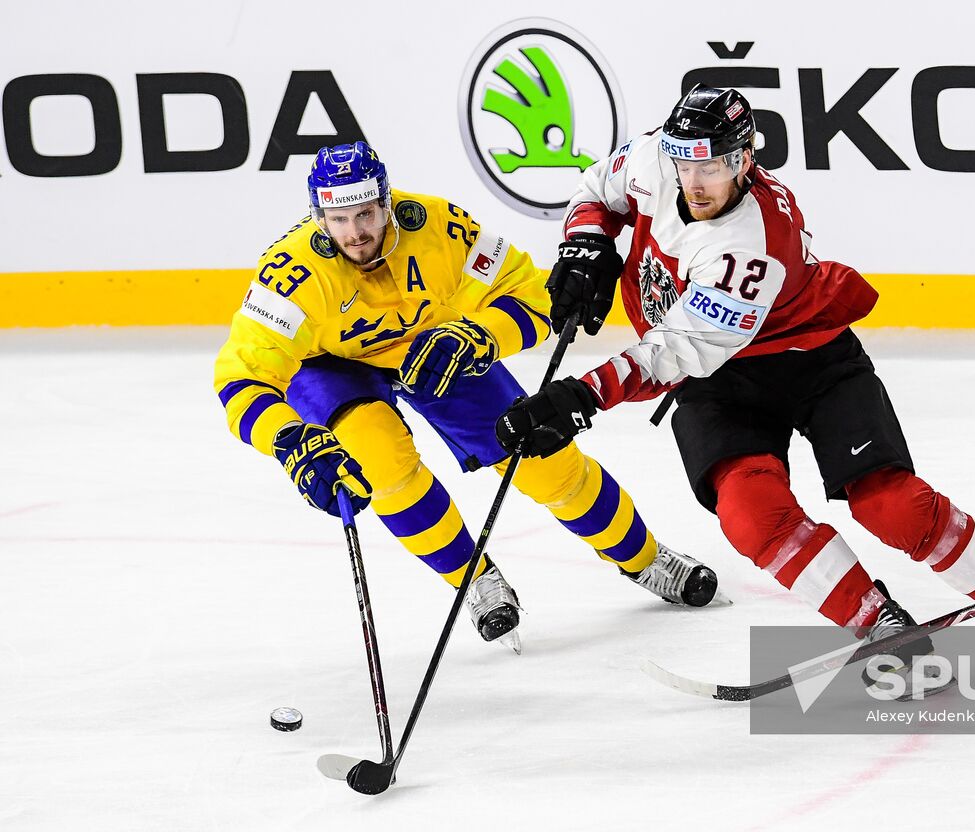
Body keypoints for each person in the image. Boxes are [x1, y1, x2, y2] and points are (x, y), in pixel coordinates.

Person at [496, 85, 975, 662]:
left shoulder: (751, 243)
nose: (692, 180)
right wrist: (586, 247)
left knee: (891, 506)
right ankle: (878, 622)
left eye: (709, 167)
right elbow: (600, 189)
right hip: (724, 382)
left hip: (810, 361)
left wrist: (580, 394)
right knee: (750, 514)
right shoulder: (662, 155)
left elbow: (675, 353)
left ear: (744, 160)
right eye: (684, 163)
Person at [213, 141, 721, 654]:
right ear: (318, 216)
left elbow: (533, 295)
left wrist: (481, 336)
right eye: (339, 218)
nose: (356, 232)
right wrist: (287, 437)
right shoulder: (289, 273)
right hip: (331, 367)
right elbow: (241, 376)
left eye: (366, 213)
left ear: (387, 202)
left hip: (435, 347)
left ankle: (645, 557)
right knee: (381, 462)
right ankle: (473, 579)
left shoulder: (440, 225)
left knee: (542, 457)